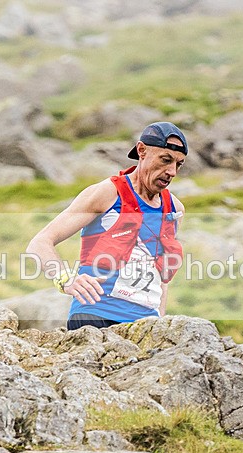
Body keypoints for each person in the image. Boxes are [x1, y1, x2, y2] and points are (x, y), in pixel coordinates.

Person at [26, 122, 188, 330]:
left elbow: (162, 278)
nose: (172, 171)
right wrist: (65, 279)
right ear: (142, 151)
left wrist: (159, 324)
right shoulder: (107, 193)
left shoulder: (175, 209)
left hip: (145, 325)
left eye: (178, 164)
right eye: (165, 160)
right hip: (95, 317)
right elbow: (40, 243)